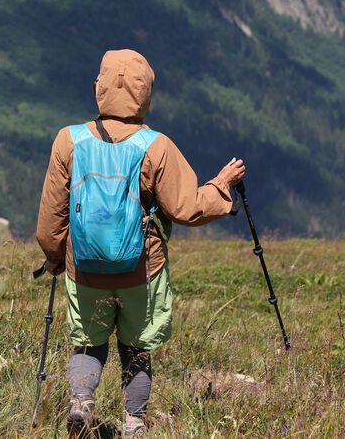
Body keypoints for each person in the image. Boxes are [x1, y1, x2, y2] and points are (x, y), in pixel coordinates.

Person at [35, 49, 245, 437]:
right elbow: (188, 208)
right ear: (145, 93)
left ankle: (81, 404)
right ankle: (134, 426)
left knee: (87, 343)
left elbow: (51, 218)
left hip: (84, 270)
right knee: (136, 350)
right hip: (142, 273)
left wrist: (55, 257)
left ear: (99, 88)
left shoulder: (68, 140)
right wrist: (222, 186)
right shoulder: (156, 146)